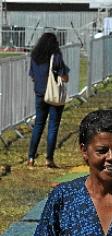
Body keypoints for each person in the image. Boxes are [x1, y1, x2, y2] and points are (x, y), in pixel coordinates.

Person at [27, 32, 69, 169]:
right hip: (53, 95)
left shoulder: (35, 56)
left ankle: (31, 157)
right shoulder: (55, 56)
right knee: (53, 127)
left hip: (39, 94)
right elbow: (64, 77)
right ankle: (49, 159)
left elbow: (32, 75)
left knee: (38, 125)